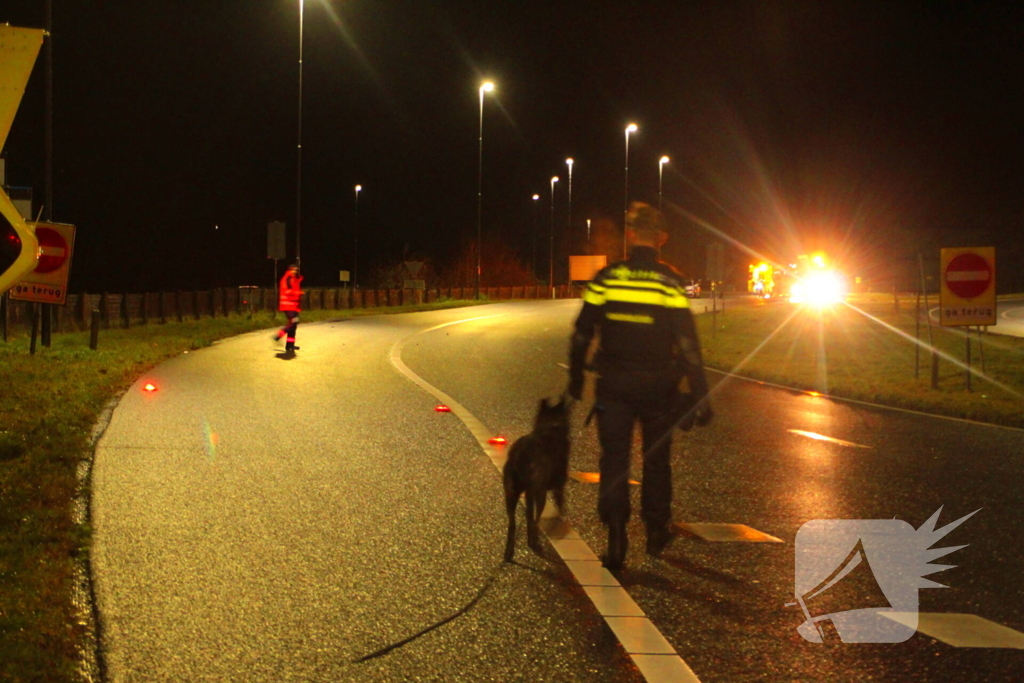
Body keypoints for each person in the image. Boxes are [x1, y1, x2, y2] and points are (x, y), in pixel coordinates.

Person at [568, 202, 712, 571]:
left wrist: (575, 379)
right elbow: (688, 345)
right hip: (658, 389)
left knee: (614, 460)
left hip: (613, 387)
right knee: (656, 460)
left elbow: (583, 330)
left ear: (630, 235)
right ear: (661, 238)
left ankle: (616, 537)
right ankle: (655, 531)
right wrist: (700, 394)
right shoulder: (669, 282)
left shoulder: (607, 278)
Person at [274, 263, 304, 353]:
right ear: (289, 270)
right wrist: (298, 293)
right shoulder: (287, 278)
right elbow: (287, 291)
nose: (295, 271)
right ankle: (279, 335)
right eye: (293, 269)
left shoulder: (293, 279)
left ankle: (290, 346)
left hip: (293, 306)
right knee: (293, 323)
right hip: (288, 306)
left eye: (296, 270)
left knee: (294, 326)